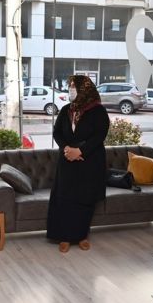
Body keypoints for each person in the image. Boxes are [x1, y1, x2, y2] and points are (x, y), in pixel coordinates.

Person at [46, 75, 110, 253]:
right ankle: (65, 237)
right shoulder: (66, 109)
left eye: (74, 86)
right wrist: (67, 148)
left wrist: (80, 152)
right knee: (65, 199)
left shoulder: (98, 111)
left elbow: (99, 135)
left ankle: (81, 236)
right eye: (70, 86)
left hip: (89, 161)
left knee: (84, 200)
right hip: (67, 161)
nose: (71, 89)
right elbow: (57, 132)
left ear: (84, 89)